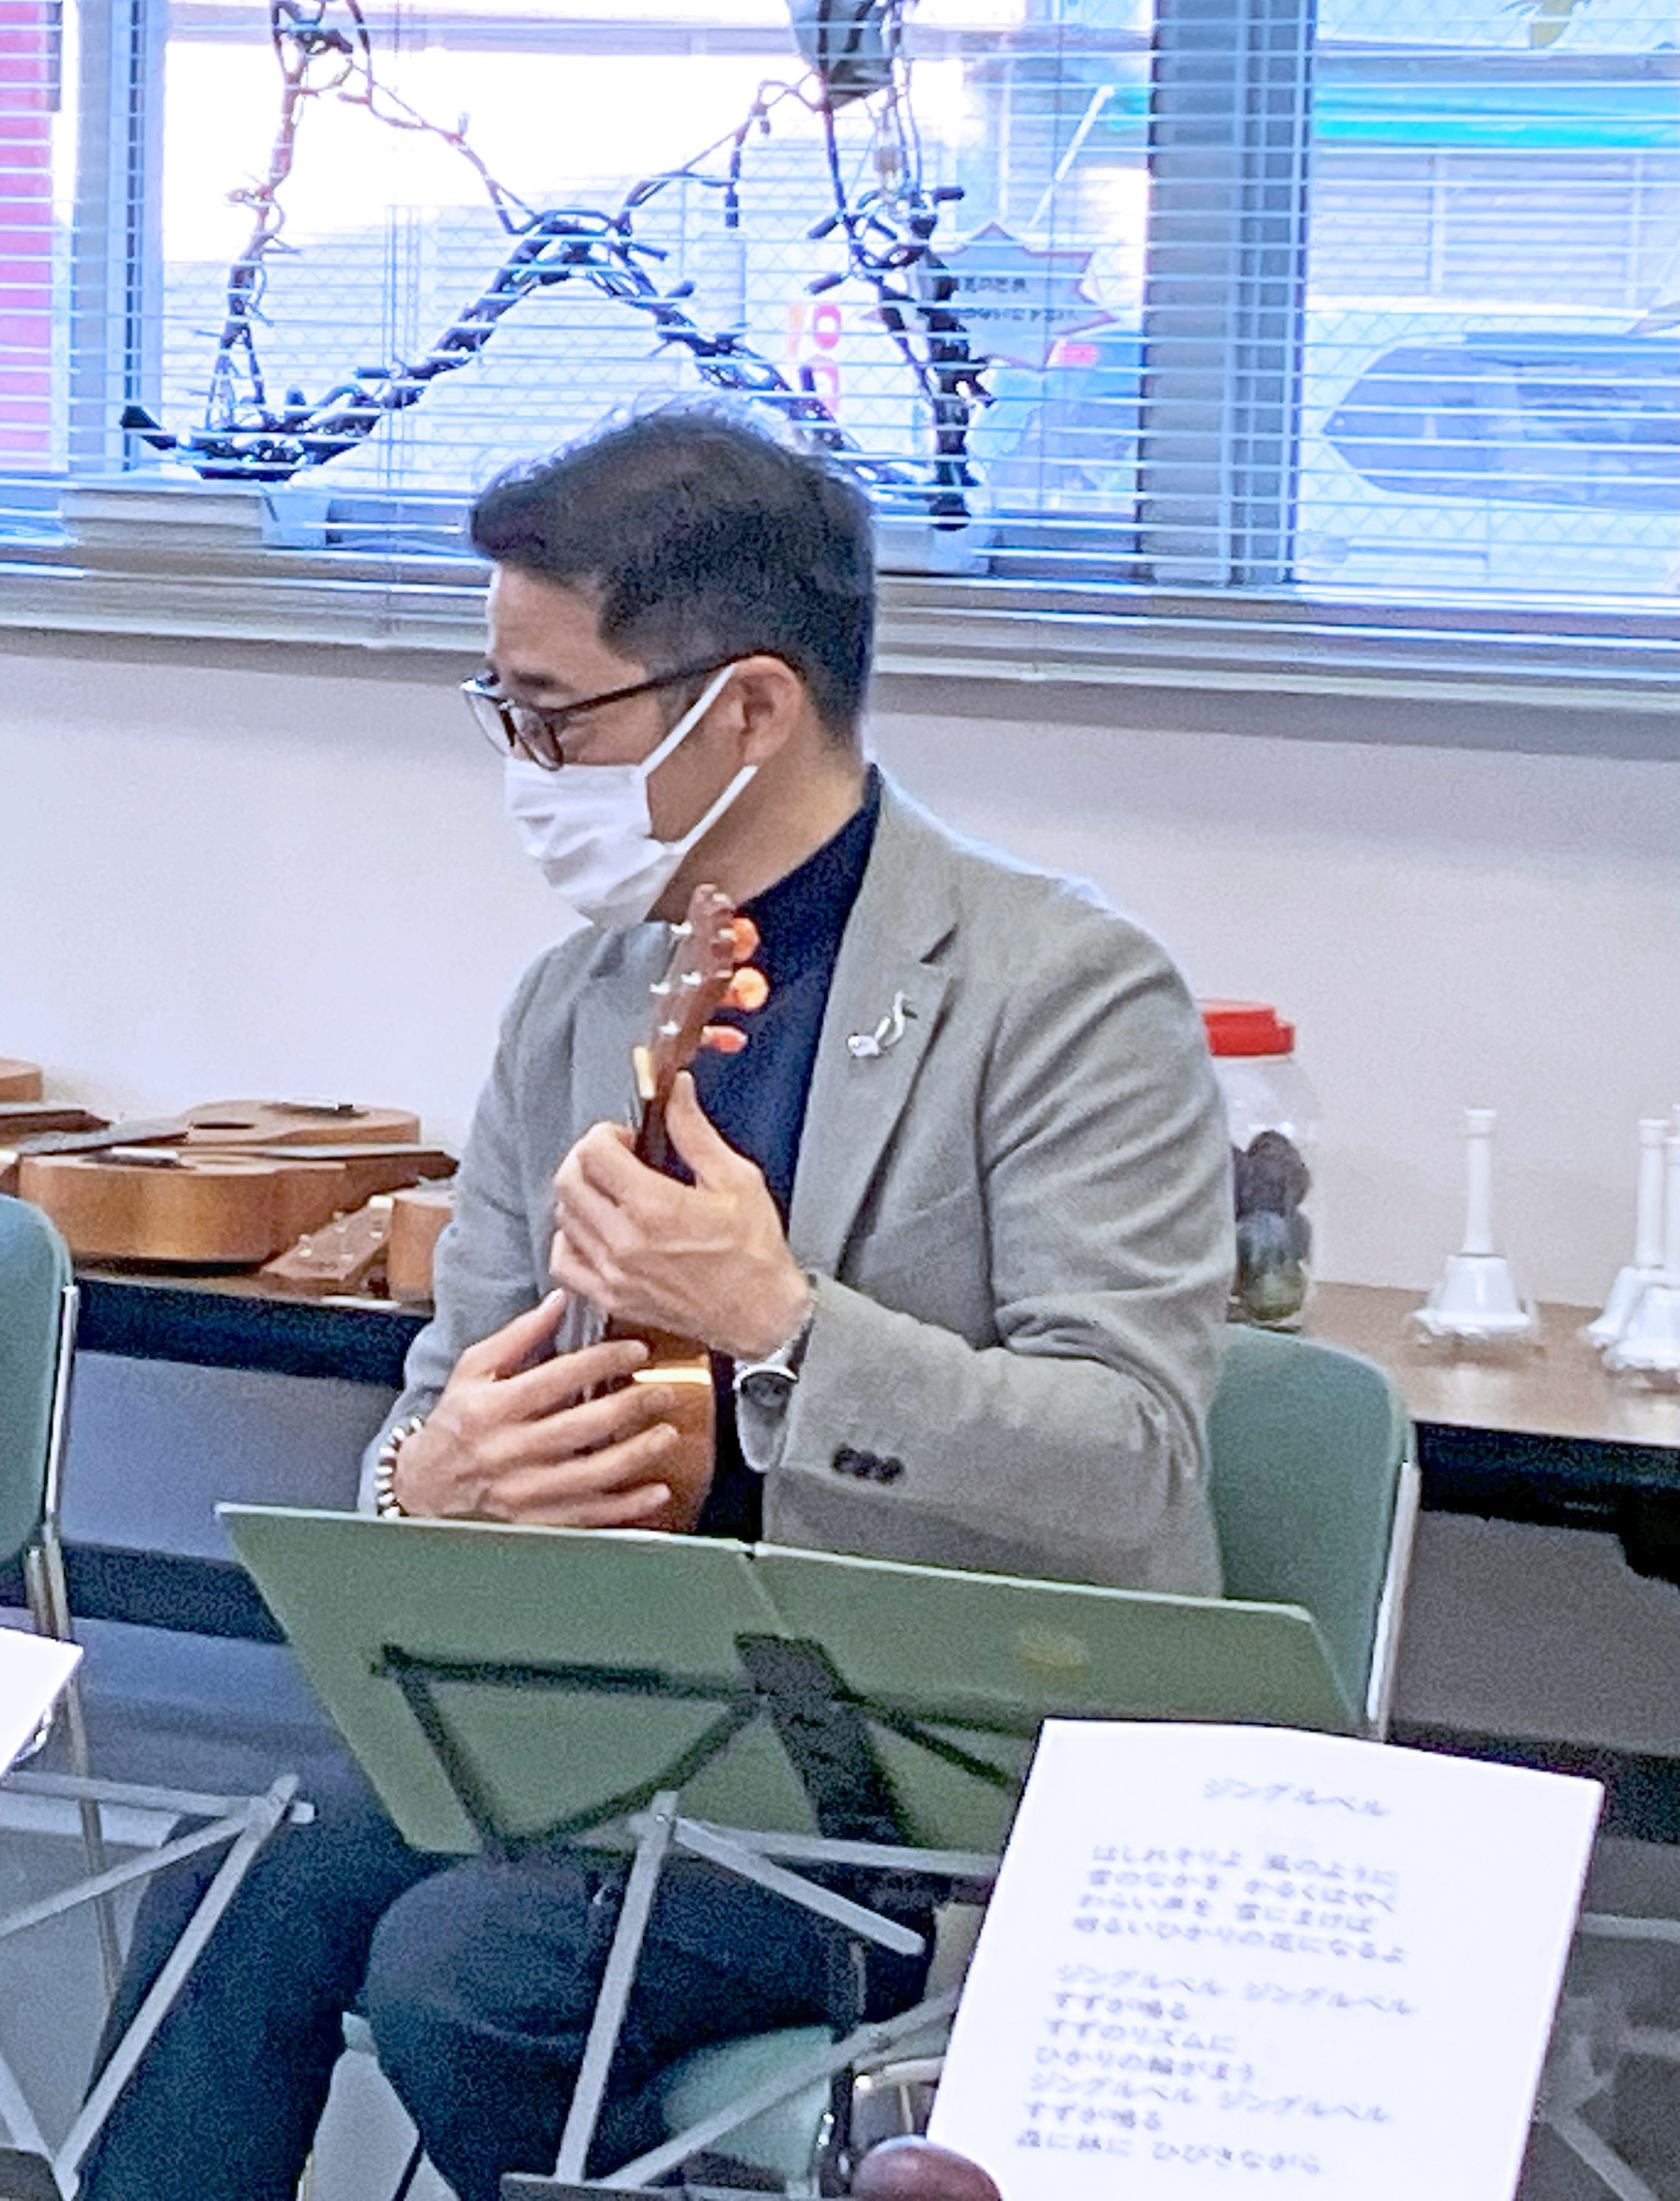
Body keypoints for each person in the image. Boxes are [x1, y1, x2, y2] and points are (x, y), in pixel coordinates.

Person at [75, 408, 1229, 2201]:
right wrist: (429, 1490)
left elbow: (1136, 1459)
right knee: (251, 1857)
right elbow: (435, 1405)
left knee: (469, 1971)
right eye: (503, 716)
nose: (524, 761)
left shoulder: (1063, 992)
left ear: (746, 707)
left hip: (922, 1797)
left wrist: (785, 1325)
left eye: (556, 718)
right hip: (609, 1738)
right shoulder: (572, 1003)